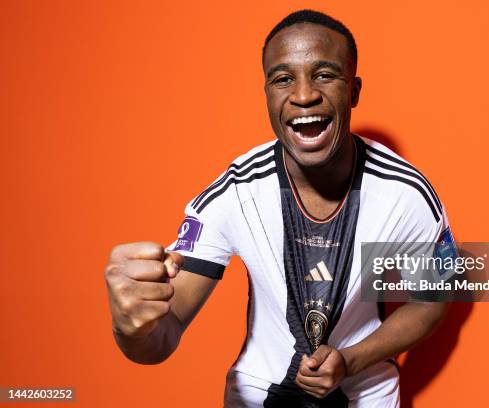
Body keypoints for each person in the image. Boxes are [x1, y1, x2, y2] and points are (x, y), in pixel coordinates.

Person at [104, 9, 451, 407]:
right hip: (257, 397)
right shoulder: (236, 192)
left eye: (324, 74)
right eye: (283, 79)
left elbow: (433, 301)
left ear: (353, 91)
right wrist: (130, 327)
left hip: (366, 395)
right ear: (267, 94)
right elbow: (159, 340)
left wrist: (351, 360)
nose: (304, 95)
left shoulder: (405, 193)